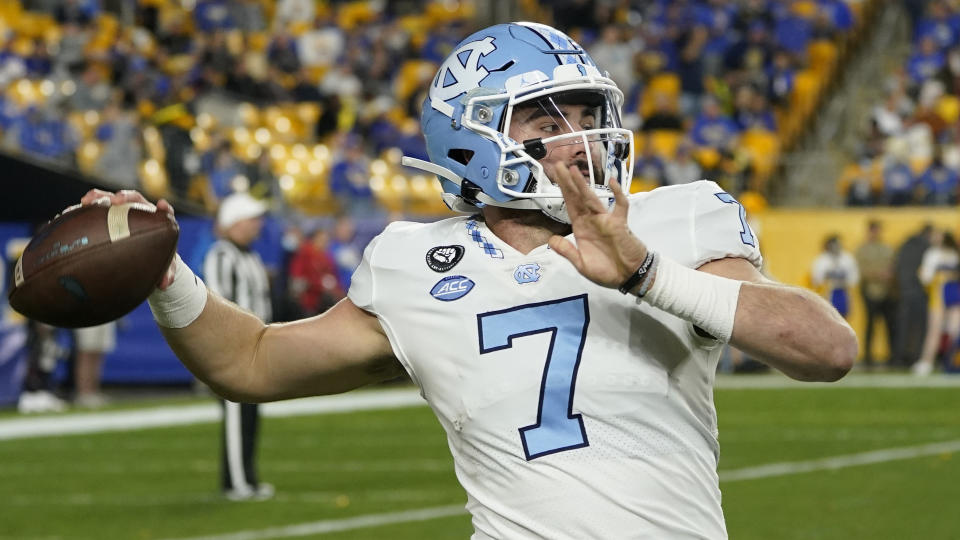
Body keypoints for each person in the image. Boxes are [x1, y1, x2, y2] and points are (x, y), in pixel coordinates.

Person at [81, 23, 855, 538]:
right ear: (472, 139)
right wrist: (166, 272)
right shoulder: (411, 264)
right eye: (546, 122)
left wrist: (646, 275)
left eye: (587, 113)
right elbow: (248, 362)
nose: (580, 138)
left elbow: (826, 350)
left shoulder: (679, 219)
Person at [202, 192, 274, 501]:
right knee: (235, 416)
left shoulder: (251, 257)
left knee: (250, 416)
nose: (257, 225)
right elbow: (219, 305)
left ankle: (249, 477)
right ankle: (236, 483)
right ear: (234, 223)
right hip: (232, 350)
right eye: (251, 219)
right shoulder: (221, 256)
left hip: (256, 348)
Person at [912, 230, 960, 376]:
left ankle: (951, 361)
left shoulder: (954, 253)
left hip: (955, 294)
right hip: (938, 296)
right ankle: (927, 362)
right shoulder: (932, 254)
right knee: (934, 330)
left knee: (955, 331)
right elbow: (926, 277)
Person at [854, 220, 897, 368]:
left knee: (890, 326)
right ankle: (868, 359)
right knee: (870, 326)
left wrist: (890, 274)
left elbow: (893, 265)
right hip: (870, 291)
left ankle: (892, 358)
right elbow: (860, 271)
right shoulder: (862, 250)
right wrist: (878, 274)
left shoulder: (887, 248)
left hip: (886, 291)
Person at [893, 224, 933, 367]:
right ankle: (916, 357)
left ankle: (899, 358)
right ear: (928, 233)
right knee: (921, 327)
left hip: (904, 292)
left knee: (903, 326)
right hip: (920, 292)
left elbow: (896, 268)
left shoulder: (903, 246)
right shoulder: (926, 248)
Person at [811, 235, 860, 320]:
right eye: (834, 245)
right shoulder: (822, 260)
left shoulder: (847, 258)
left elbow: (854, 277)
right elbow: (816, 279)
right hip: (827, 294)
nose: (836, 247)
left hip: (844, 293)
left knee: (844, 319)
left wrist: (845, 283)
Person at [73, 321, 116, 408]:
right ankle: (84, 393)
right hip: (87, 315)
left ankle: (93, 392)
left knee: (99, 352)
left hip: (105, 315)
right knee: (86, 351)